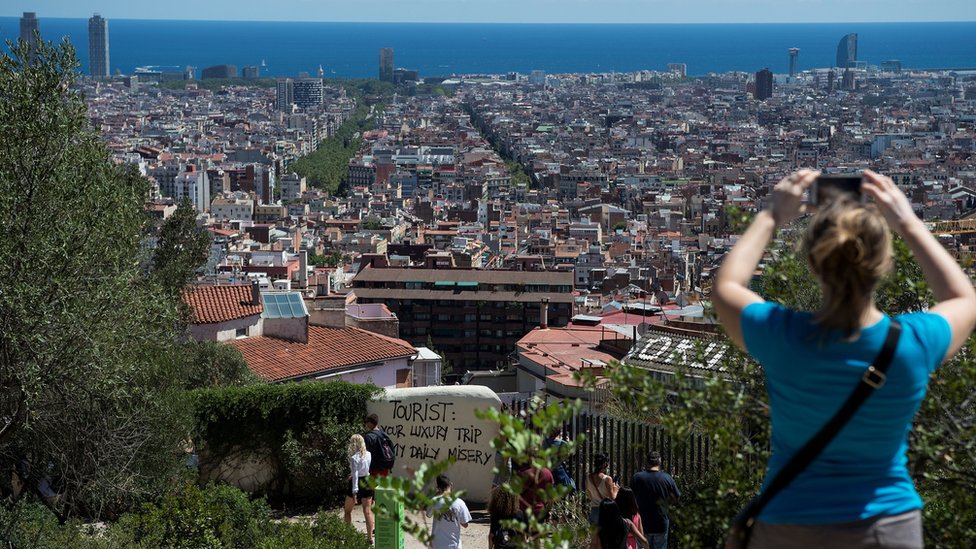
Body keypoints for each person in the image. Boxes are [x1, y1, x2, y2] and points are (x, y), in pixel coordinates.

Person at [713, 169, 976, 547]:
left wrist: (771, 214)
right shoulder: (913, 345)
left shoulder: (784, 337)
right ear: (884, 263)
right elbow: (963, 299)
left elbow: (726, 287)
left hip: (790, 525)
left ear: (814, 263)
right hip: (887, 526)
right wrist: (907, 222)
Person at [630, 451, 680, 549]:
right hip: (661, 522)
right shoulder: (667, 478)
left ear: (647, 462)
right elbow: (677, 497)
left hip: (642, 523)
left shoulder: (637, 478)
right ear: (659, 463)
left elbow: (631, 498)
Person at [343, 434, 374, 545]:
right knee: (367, 511)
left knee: (347, 511)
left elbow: (356, 475)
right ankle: (370, 537)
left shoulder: (354, 457)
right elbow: (365, 470)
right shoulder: (369, 454)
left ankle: (348, 534)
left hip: (356, 483)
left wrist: (355, 491)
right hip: (367, 481)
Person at [427, 474, 472, 549]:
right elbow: (465, 524)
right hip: (454, 545)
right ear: (451, 484)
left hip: (436, 545)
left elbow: (428, 514)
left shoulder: (434, 501)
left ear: (438, 488)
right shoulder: (460, 502)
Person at [585, 453, 618, 527]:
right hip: (605, 511)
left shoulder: (588, 478)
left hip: (594, 511)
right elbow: (613, 498)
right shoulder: (607, 479)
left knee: (594, 537)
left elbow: (589, 496)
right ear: (605, 464)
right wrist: (616, 489)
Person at [487, 484, 522, 549]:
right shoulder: (519, 513)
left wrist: (490, 547)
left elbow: (492, 534)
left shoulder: (495, 514)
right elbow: (522, 535)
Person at [363, 413, 394, 477]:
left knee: (374, 486)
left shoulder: (369, 436)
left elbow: (366, 455)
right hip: (385, 467)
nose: (365, 424)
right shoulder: (383, 434)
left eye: (366, 422)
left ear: (370, 423)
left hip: (375, 469)